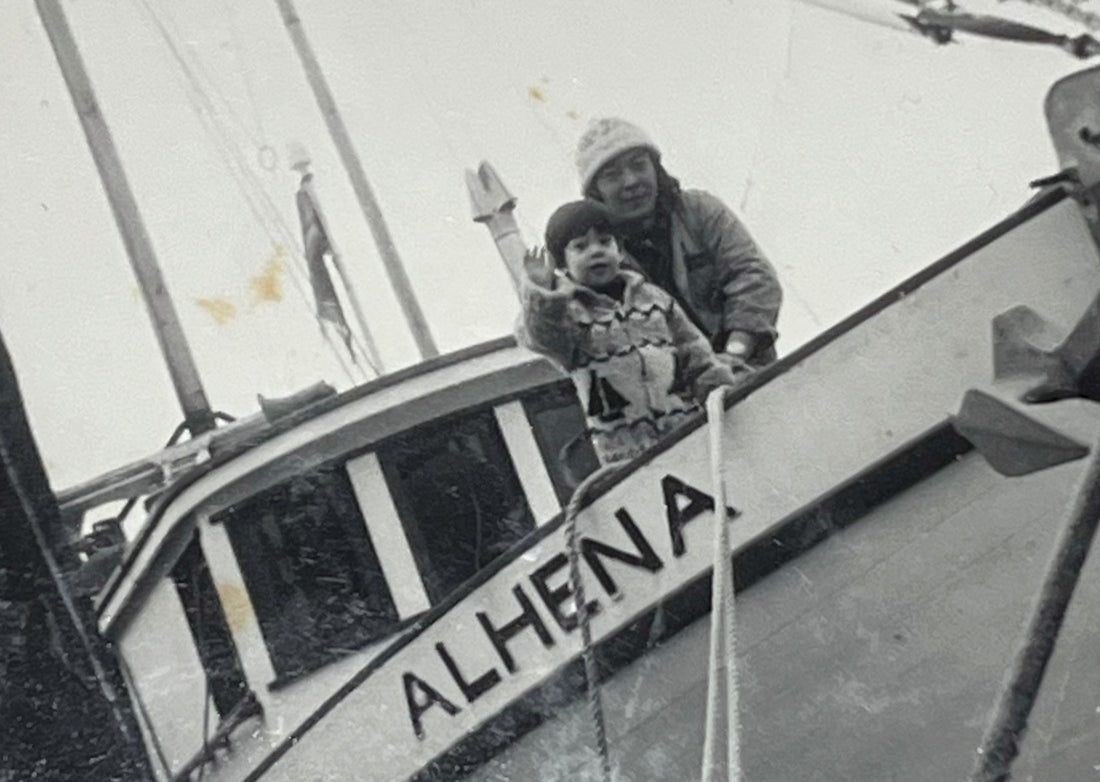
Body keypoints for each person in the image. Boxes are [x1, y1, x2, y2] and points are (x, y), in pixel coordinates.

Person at [517, 199, 738, 465]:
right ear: (561, 264)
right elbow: (542, 337)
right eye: (580, 246)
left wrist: (724, 393)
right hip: (627, 455)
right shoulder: (568, 314)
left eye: (605, 241)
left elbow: (696, 354)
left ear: (620, 250)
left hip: (689, 431)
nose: (595, 251)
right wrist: (543, 293)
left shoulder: (655, 299)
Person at [576, 118, 783, 370]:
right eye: (612, 176)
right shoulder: (595, 258)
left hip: (748, 370)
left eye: (639, 165)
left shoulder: (700, 211)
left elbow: (755, 279)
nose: (630, 181)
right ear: (595, 193)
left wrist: (735, 354)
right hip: (675, 398)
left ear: (656, 169)